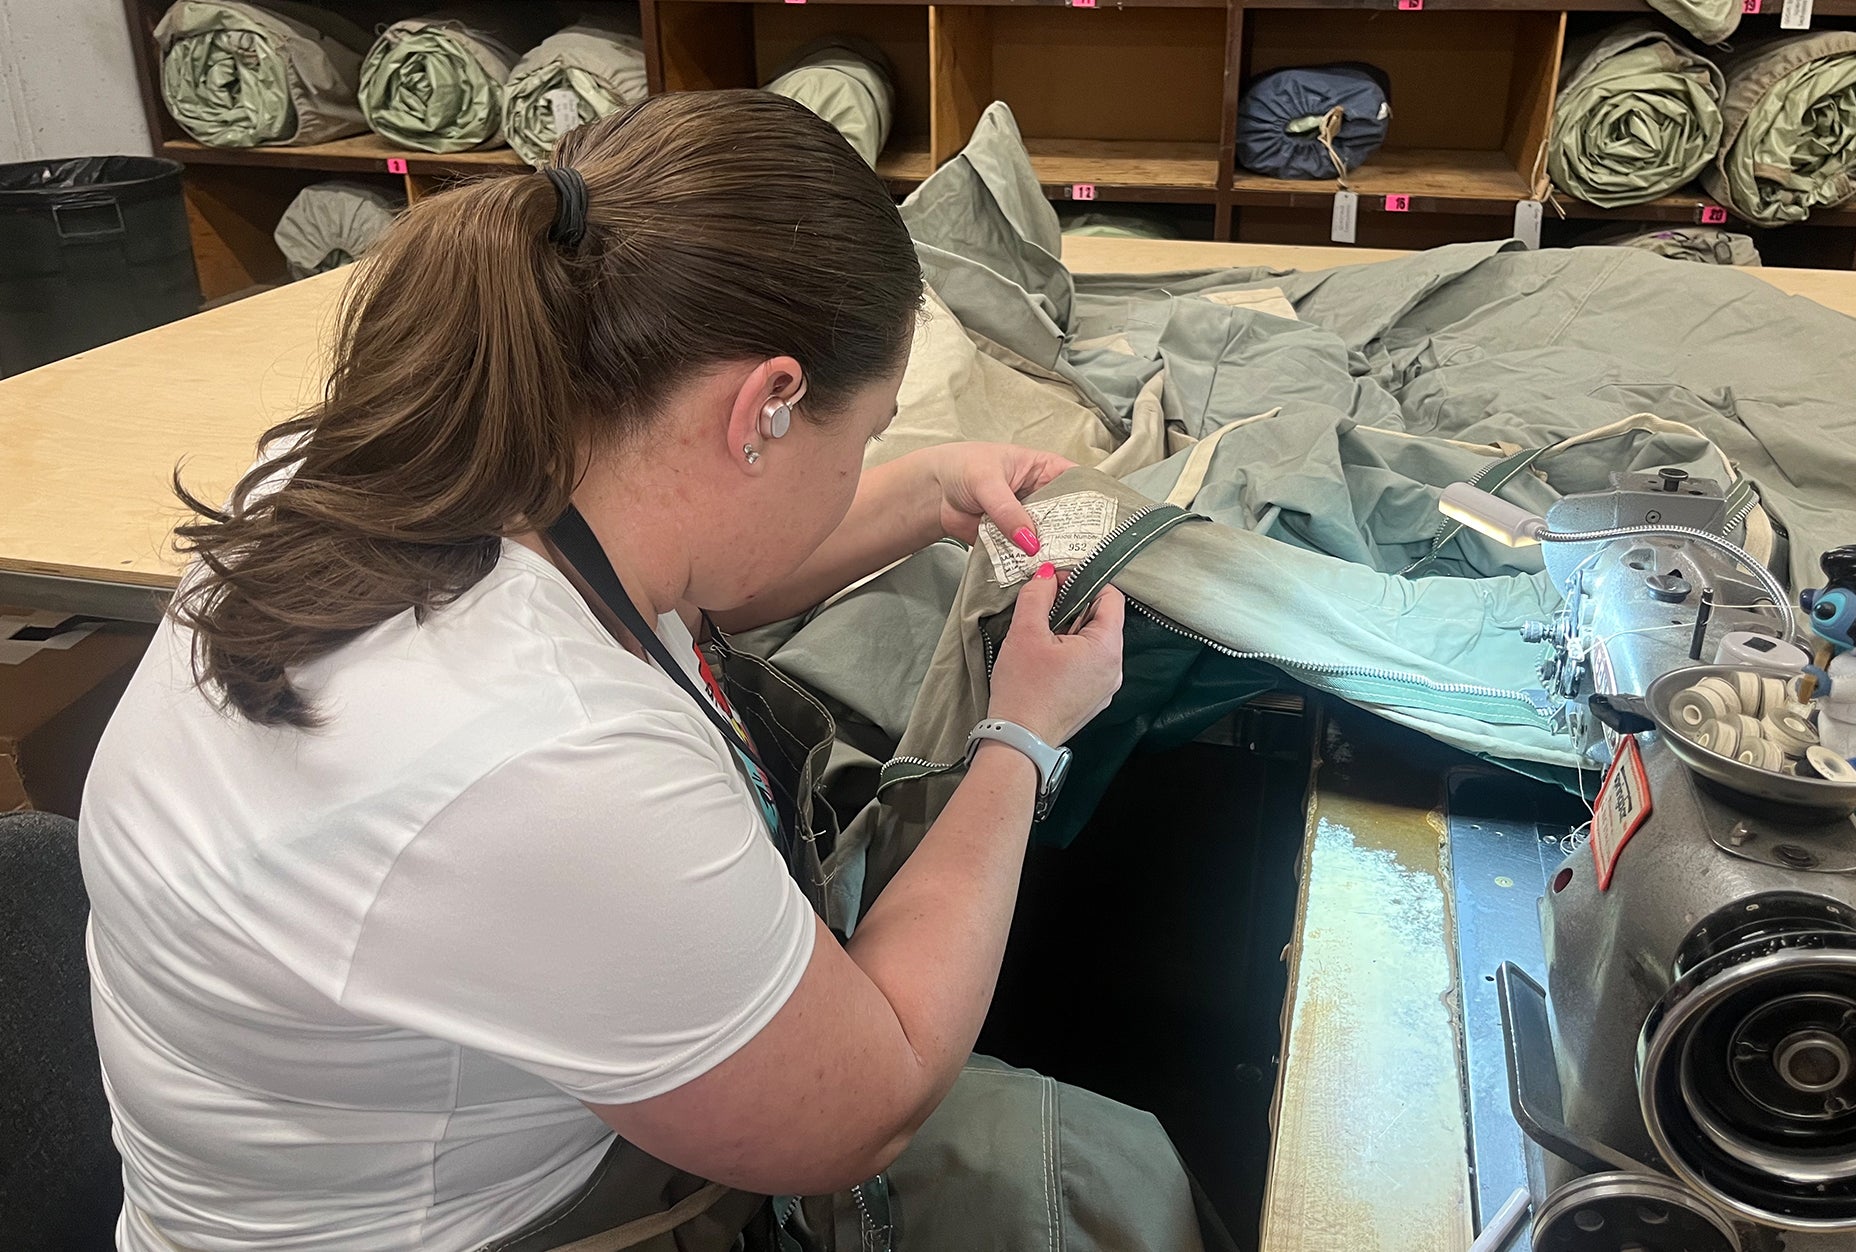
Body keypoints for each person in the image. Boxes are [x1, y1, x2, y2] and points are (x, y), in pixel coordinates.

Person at [77, 91, 1130, 1250]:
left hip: (290, 1170)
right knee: (1105, 1176)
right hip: (477, 1228)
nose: (865, 461)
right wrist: (1020, 737)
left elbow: (677, 567)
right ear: (766, 406)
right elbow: (864, 1106)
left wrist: (924, 490)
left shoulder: (384, 460)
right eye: (867, 431)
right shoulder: (546, 755)